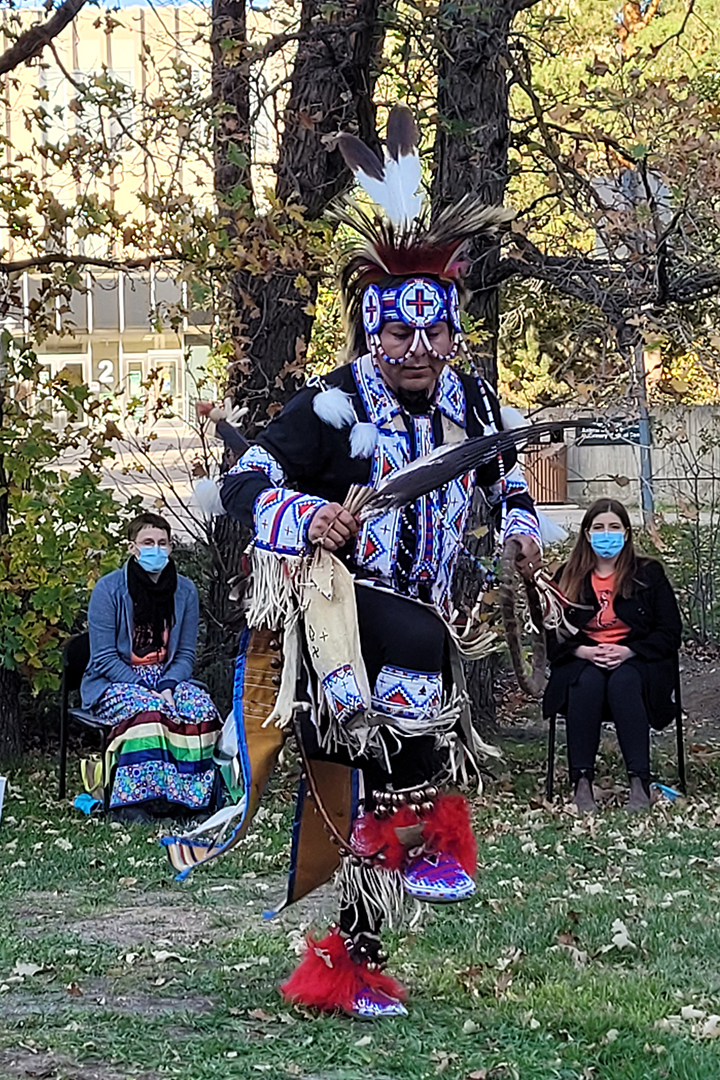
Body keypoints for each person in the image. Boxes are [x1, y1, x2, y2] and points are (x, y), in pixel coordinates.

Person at [164, 106, 543, 1019]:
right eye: (399, 335)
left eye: (434, 334)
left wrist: (522, 522)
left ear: (451, 330)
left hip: (410, 635)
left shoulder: (472, 395)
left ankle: (353, 967)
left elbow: (506, 468)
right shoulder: (333, 404)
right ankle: (429, 844)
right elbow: (249, 475)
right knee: (416, 651)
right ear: (374, 329)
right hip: (332, 622)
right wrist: (309, 519)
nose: (418, 351)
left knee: (376, 794)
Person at [81, 512, 223, 822]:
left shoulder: (184, 591)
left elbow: (185, 654)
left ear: (171, 548)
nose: (155, 549)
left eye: (162, 543)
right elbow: (104, 658)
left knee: (201, 708)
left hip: (167, 677)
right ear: (132, 547)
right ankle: (134, 803)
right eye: (147, 543)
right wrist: (152, 691)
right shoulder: (108, 590)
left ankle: (191, 801)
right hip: (117, 680)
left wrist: (168, 686)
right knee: (151, 714)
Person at [543, 498, 682, 813]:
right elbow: (552, 637)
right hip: (583, 659)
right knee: (585, 683)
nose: (607, 534)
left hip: (638, 661)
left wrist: (628, 650)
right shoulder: (567, 576)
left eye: (614, 527)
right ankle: (581, 782)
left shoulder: (648, 574)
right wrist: (585, 651)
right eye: (600, 528)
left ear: (627, 533)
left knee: (624, 682)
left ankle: (639, 783)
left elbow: (670, 631)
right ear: (587, 534)